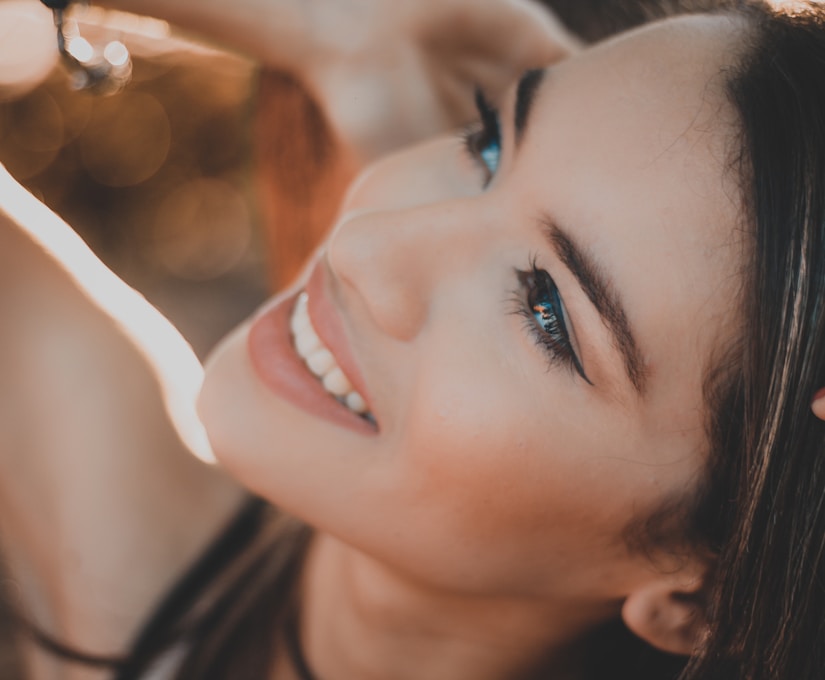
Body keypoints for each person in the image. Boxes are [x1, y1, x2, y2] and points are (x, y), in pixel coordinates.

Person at [1, 1, 825, 680]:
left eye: (545, 310)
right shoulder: (109, 517)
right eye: (489, 144)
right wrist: (324, 23)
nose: (364, 247)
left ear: (697, 599)